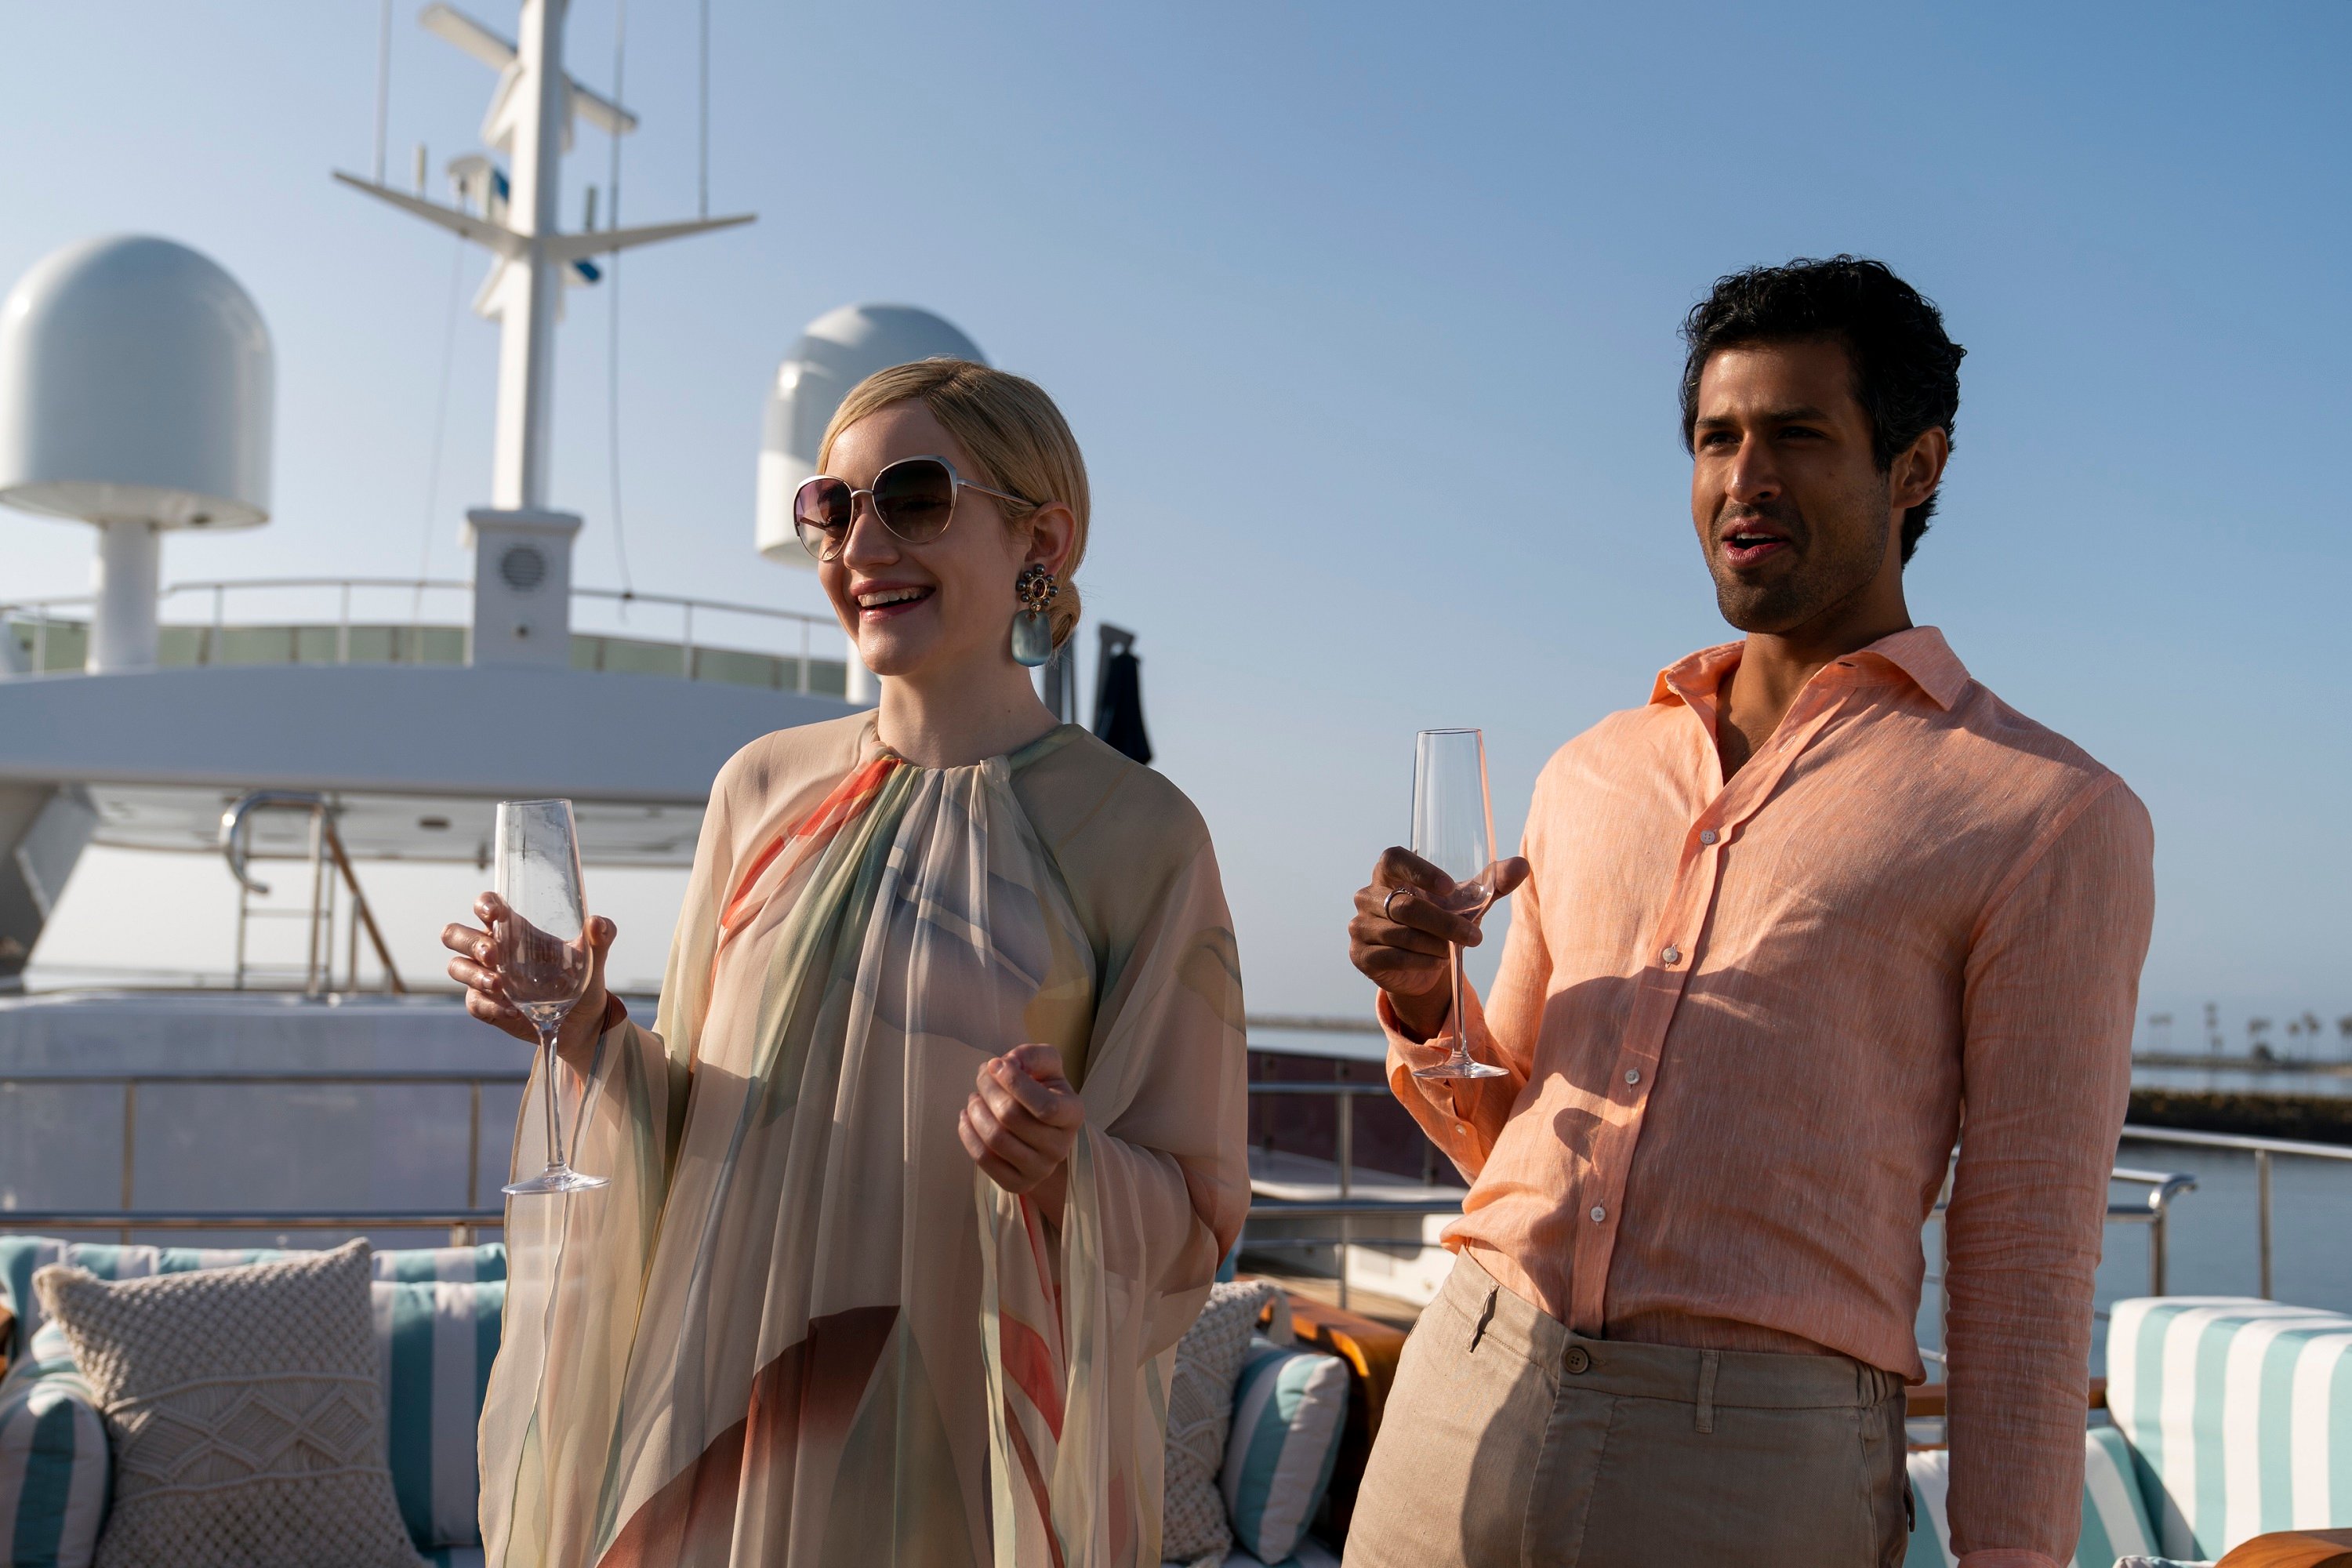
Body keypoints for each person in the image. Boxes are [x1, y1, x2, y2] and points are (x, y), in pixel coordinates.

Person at [1344, 257, 2153, 1568]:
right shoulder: (1593, 768)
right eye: (1716, 437)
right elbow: (1505, 1140)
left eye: (1797, 434)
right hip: (1460, 1391)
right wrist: (1430, 1004)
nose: (1743, 477)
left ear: (1917, 467)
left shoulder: (2049, 816)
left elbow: (2025, 1277)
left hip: (1752, 1471)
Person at [441, 359, 1249, 1568]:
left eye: (916, 498)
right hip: (721, 1427)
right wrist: (590, 1026)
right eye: (834, 505)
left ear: (1044, 536)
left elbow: (1195, 1217)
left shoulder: (1140, 835)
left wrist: (1059, 1168)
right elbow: (702, 1127)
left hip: (959, 1463)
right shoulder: (758, 789)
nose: (864, 542)